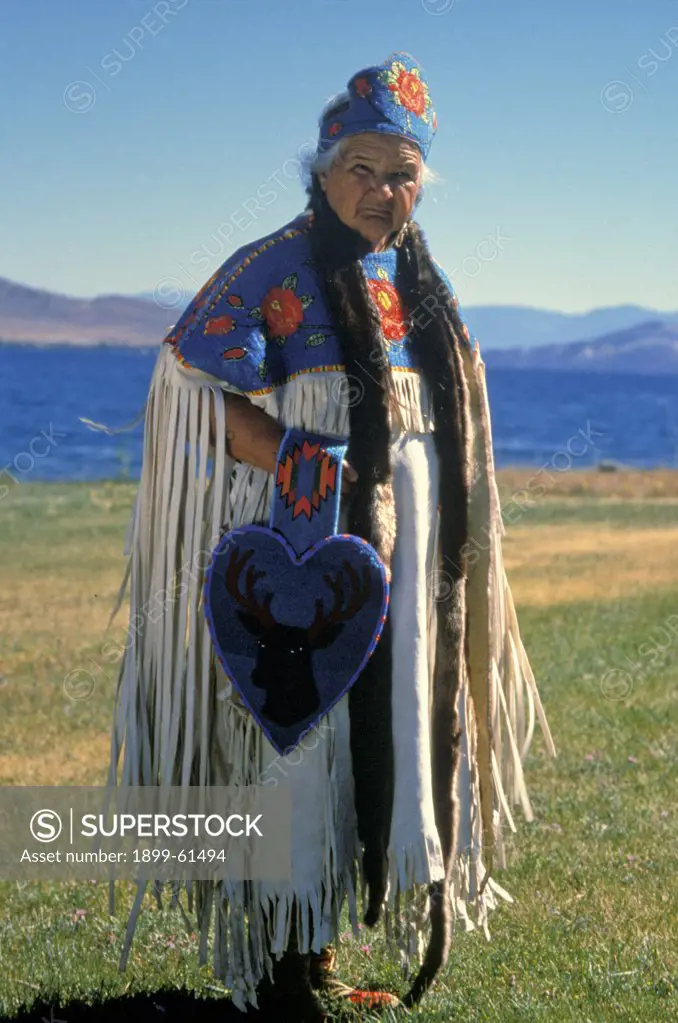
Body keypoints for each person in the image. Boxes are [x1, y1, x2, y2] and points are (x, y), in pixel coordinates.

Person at [104, 52, 556, 1021]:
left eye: (402, 173)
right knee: (295, 736)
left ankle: (321, 950)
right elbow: (190, 381)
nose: (383, 191)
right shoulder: (276, 266)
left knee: (387, 728)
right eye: (364, 169)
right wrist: (297, 458)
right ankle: (282, 962)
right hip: (304, 548)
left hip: (413, 558)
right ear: (323, 169)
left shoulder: (419, 282)